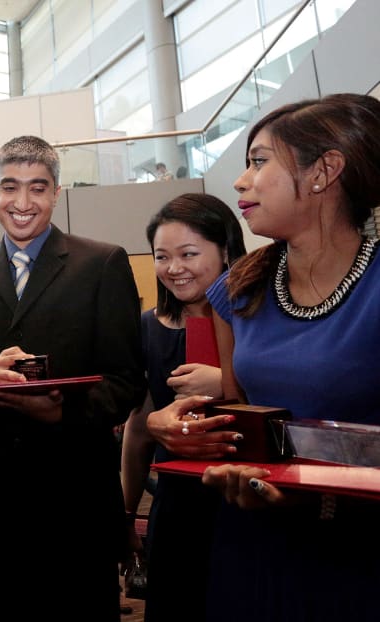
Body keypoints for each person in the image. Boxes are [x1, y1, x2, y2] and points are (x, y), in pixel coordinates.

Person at [148, 93, 380, 622]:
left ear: (324, 171)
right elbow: (240, 406)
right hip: (252, 540)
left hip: (358, 553)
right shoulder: (239, 289)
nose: (239, 181)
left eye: (259, 161)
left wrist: (314, 499)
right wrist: (177, 425)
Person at [0, 134, 146, 621]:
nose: (22, 203)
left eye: (38, 188)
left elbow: (126, 379)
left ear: (57, 193)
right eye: (10, 187)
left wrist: (61, 410)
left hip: (77, 504)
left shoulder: (103, 263)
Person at [120, 193, 247, 621]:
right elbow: (139, 427)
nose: (174, 268)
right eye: (162, 256)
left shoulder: (260, 318)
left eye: (189, 254)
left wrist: (228, 380)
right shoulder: (147, 327)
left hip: (245, 501)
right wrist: (125, 510)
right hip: (177, 506)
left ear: (226, 249)